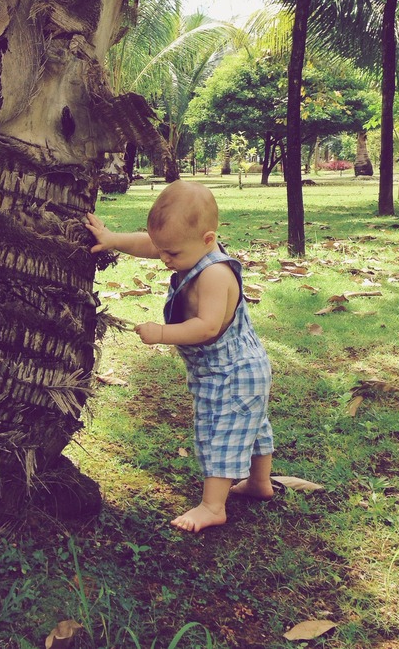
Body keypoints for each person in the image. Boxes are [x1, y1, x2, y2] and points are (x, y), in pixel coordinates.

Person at [85, 180, 274, 533]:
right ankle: (259, 483)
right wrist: (113, 240)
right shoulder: (190, 250)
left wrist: (162, 334)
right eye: (162, 251)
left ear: (207, 239)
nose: (164, 259)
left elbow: (207, 327)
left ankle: (213, 505)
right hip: (245, 368)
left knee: (220, 431)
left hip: (230, 373)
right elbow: (150, 245)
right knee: (252, 427)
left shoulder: (216, 274)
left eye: (171, 254)